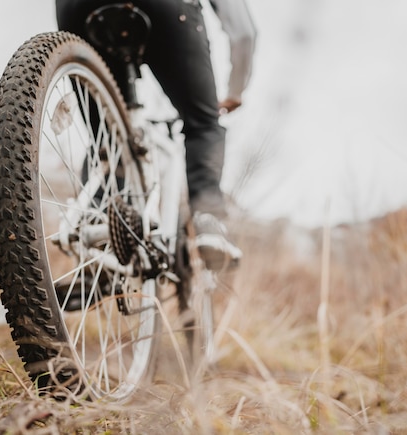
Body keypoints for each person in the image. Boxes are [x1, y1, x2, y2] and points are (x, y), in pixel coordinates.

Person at [55, 0, 256, 270]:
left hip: (75, 8)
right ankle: (208, 220)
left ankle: (98, 219)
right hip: (167, 10)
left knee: (107, 138)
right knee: (203, 123)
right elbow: (244, 32)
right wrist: (234, 92)